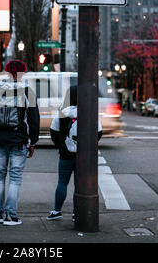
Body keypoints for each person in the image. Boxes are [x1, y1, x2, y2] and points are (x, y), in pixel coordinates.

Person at [0, 60, 40, 226]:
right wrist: (33, 142)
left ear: (6, 72)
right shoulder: (28, 91)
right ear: (22, 73)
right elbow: (34, 120)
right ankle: (10, 216)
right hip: (18, 140)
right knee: (15, 178)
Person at [47, 85, 102, 221]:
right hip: (83, 156)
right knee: (80, 185)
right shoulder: (88, 111)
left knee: (62, 183)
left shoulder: (62, 112)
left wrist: (61, 145)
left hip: (66, 154)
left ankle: (56, 211)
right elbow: (99, 132)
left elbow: (53, 131)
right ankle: (76, 212)